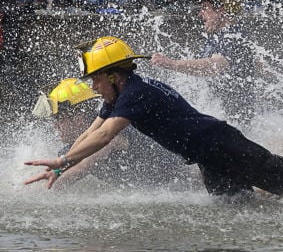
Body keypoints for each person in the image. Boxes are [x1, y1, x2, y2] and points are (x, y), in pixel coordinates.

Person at [24, 36, 283, 201]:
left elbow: (105, 138)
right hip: (207, 157)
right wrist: (64, 160)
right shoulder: (124, 91)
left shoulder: (135, 95)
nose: (93, 85)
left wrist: (63, 159)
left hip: (220, 144)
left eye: (96, 78)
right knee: (240, 208)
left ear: (114, 74)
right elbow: (95, 127)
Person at [32, 78, 194, 189]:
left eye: (58, 119)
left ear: (78, 119)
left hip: (185, 175)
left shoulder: (115, 128)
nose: (54, 125)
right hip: (156, 188)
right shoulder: (68, 151)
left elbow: (84, 165)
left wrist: (43, 190)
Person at [151, 0, 256, 124]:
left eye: (205, 8)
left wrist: (171, 64)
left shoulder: (234, 37)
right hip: (221, 118)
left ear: (220, 9)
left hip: (233, 124)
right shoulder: (219, 35)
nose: (201, 14)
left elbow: (213, 66)